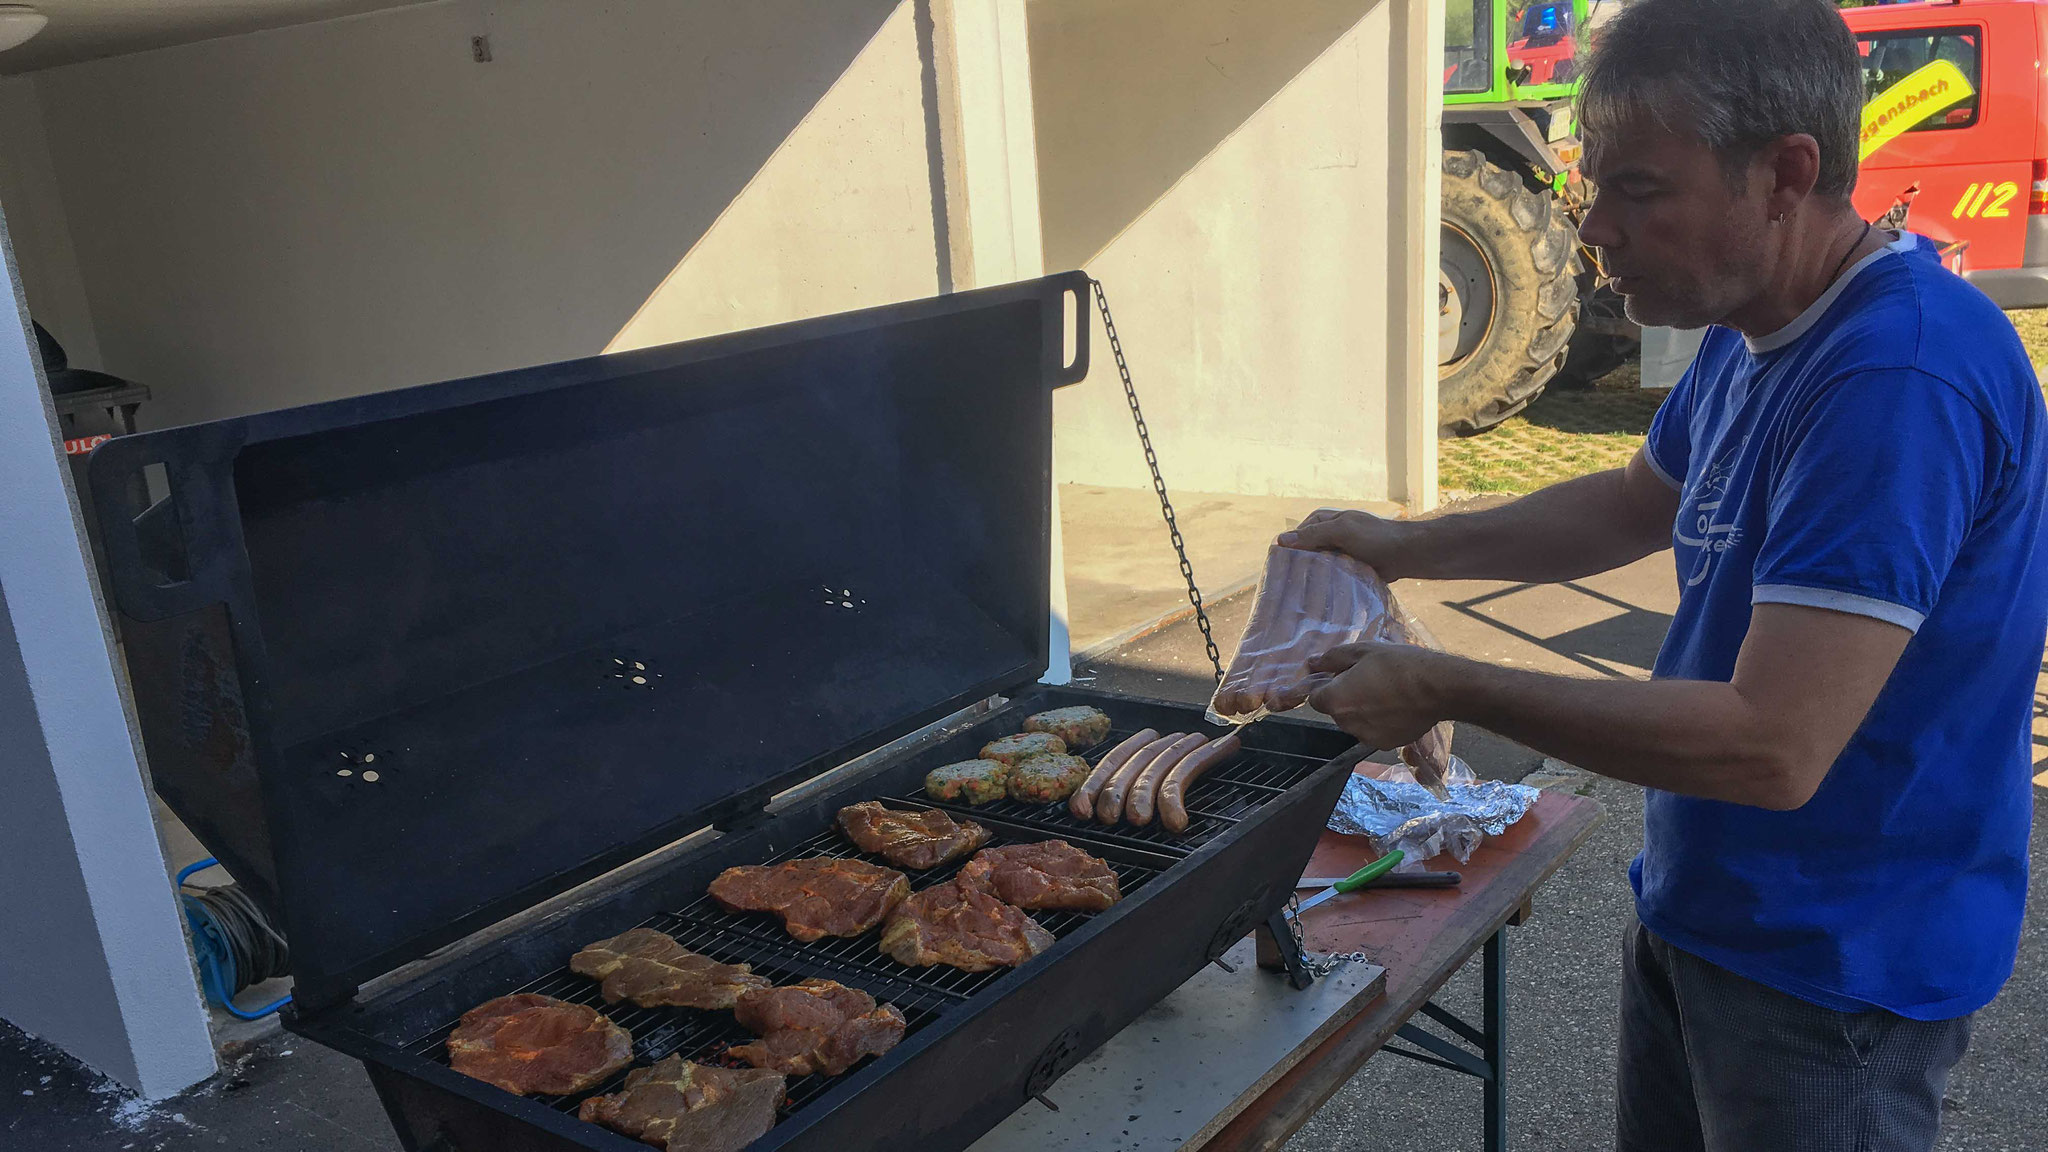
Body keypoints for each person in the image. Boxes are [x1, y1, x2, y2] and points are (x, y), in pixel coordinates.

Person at [1280, 0, 2047, 1148]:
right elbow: (1630, 502)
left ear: (1784, 173)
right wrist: (1401, 543)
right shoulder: (1755, 327)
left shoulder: (1894, 378)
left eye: (1638, 191)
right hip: (1713, 909)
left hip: (1834, 967)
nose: (1595, 228)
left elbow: (1769, 746)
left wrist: (1448, 686)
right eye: (1595, 186)